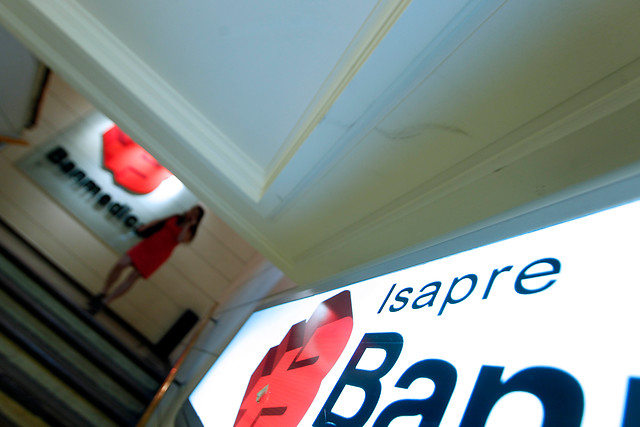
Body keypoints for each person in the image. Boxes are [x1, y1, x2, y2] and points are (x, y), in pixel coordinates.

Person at [88, 205, 205, 314]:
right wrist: (145, 227)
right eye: (192, 210)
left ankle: (105, 301)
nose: (191, 214)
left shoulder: (190, 231)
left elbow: (180, 239)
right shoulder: (176, 217)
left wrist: (188, 225)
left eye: (195, 214)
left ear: (197, 219)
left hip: (158, 254)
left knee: (132, 277)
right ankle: (104, 291)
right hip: (147, 245)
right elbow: (159, 221)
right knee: (121, 264)